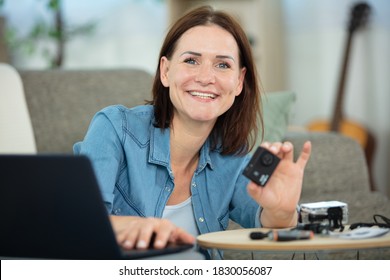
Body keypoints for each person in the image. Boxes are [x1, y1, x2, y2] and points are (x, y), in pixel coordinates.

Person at [74, 5, 311, 258]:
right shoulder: (114, 128)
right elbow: (79, 222)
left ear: (239, 81)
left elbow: (264, 219)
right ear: (165, 71)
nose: (206, 77)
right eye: (191, 60)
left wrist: (282, 211)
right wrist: (138, 227)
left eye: (222, 65)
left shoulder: (233, 158)